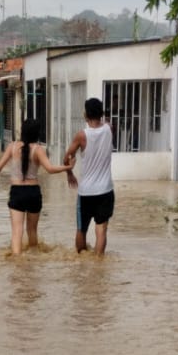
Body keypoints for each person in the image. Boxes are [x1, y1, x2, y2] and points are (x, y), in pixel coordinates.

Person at [0, 118, 73, 255]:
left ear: (22, 131)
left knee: (17, 231)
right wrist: (67, 167)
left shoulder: (12, 147)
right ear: (36, 134)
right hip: (33, 192)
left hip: (17, 192)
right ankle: (33, 262)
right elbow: (50, 169)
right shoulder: (38, 149)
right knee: (32, 230)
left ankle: (17, 262)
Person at [63, 96, 115, 255]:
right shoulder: (109, 129)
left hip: (86, 193)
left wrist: (69, 173)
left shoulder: (81, 136)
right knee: (101, 230)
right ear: (101, 113)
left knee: (82, 229)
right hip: (105, 191)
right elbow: (105, 123)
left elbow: (67, 156)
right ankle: (98, 266)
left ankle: (81, 264)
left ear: (85, 115)